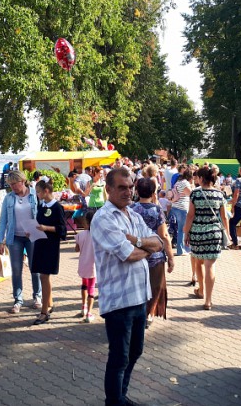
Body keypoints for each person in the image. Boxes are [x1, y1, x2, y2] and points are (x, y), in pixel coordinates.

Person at [90, 168, 164, 406]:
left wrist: (137, 240)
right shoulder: (104, 218)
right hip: (119, 300)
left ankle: (121, 396)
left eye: (130, 186)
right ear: (108, 189)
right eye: (122, 187)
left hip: (139, 297)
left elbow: (160, 243)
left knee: (134, 352)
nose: (128, 191)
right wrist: (143, 248)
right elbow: (128, 255)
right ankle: (114, 401)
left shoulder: (132, 215)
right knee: (119, 357)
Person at [183, 167, 230, 310]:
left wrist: (186, 233)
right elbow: (224, 216)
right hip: (214, 234)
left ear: (202, 179)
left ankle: (201, 290)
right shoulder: (219, 194)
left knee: (198, 262)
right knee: (210, 265)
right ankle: (208, 300)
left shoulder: (195, 194)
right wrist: (227, 233)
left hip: (197, 233)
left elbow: (190, 215)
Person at [131, 178, 175, 328]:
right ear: (153, 192)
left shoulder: (131, 209)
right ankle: (149, 314)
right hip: (155, 256)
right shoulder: (156, 210)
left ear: (136, 191)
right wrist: (171, 257)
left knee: (138, 287)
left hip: (136, 254)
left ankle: (138, 313)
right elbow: (164, 236)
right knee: (155, 287)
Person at [0, 171, 42, 314]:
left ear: (22, 181)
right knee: (16, 270)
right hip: (14, 237)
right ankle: (18, 300)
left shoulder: (35, 194)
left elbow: (42, 214)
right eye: (10, 185)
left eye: (14, 184)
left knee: (35, 268)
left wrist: (39, 228)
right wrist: (0, 240)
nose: (13, 187)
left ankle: (37, 296)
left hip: (32, 236)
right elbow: (3, 220)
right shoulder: (8, 198)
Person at [32, 180, 67, 325]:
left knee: (44, 276)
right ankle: (50, 303)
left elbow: (62, 230)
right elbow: (38, 223)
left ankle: (44, 312)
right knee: (42, 276)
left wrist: (46, 228)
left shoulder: (57, 207)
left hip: (50, 245)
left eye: (39, 192)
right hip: (40, 243)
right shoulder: (42, 205)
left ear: (46, 191)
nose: (37, 195)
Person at [74, 210, 98, 323]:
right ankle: (89, 313)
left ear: (86, 222)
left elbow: (76, 249)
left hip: (83, 264)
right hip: (93, 265)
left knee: (84, 285)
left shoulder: (80, 235)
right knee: (91, 288)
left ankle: (83, 307)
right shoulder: (98, 236)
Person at [170, 168, 193, 256]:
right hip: (182, 208)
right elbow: (191, 194)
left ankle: (183, 249)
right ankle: (181, 250)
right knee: (182, 230)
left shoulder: (178, 182)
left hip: (175, 207)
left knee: (180, 230)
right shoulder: (185, 183)